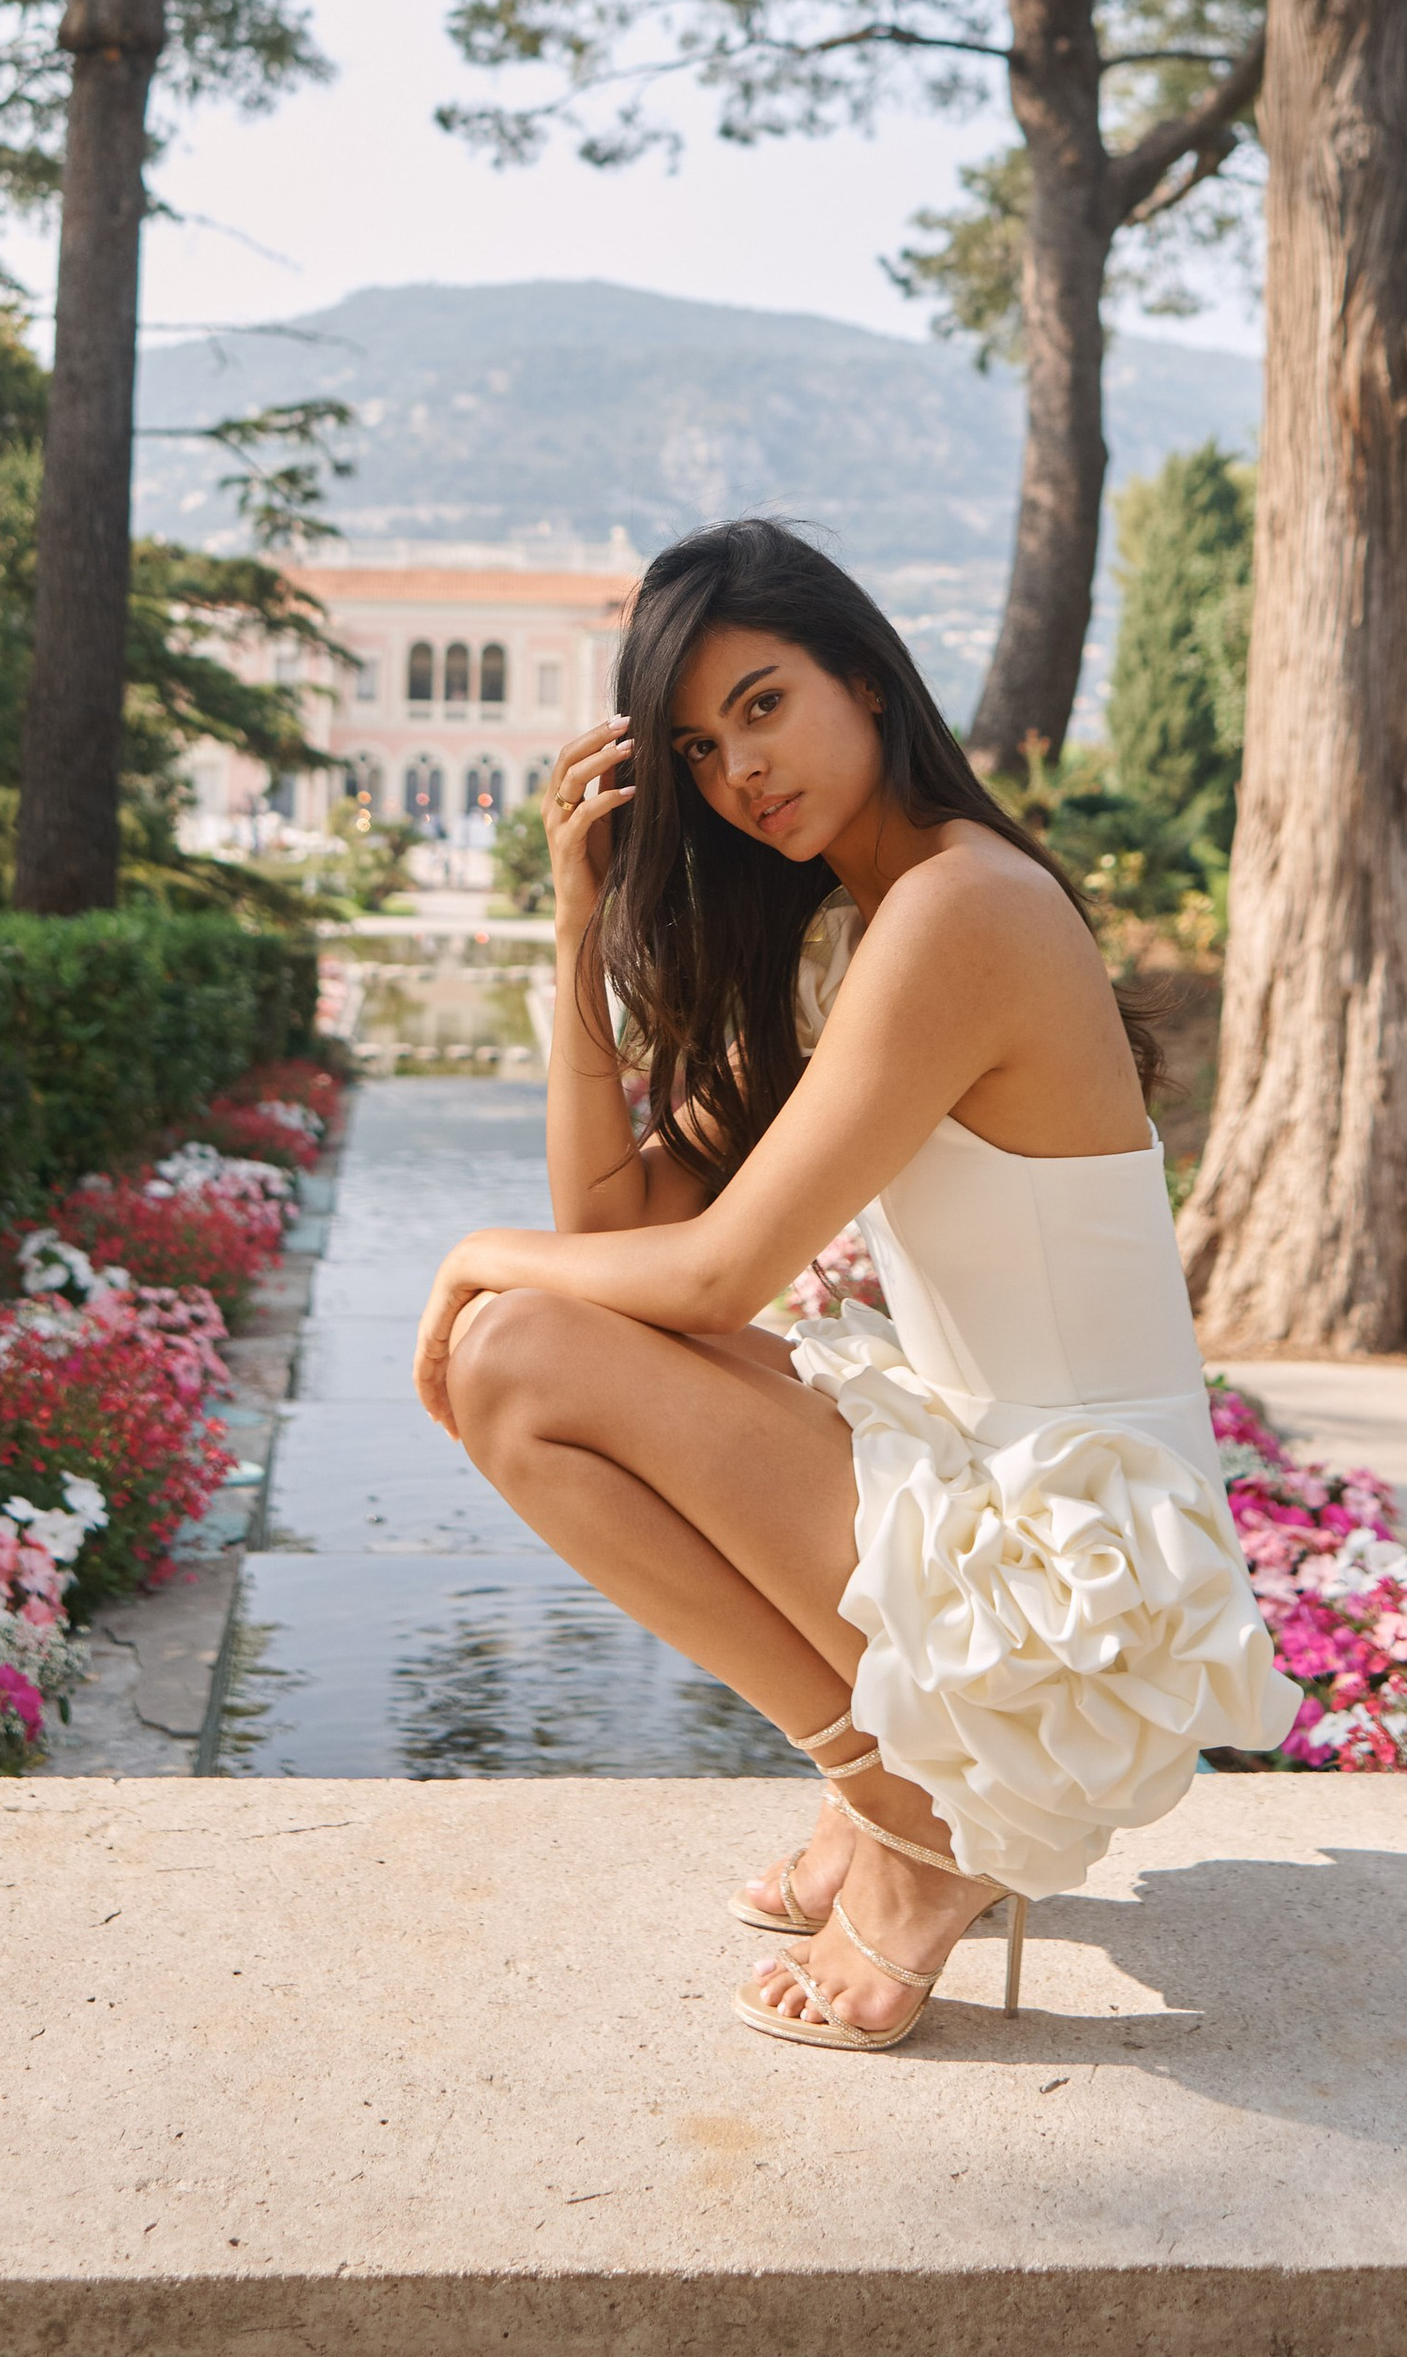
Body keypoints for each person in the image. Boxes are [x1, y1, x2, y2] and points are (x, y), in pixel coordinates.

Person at [412, 518, 1299, 2053]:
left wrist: (466, 1255)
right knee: (526, 1342)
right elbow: (612, 1222)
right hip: (998, 1490)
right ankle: (891, 1775)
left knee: (509, 1352)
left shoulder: (966, 908)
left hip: (1078, 1581)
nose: (741, 769)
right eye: (699, 747)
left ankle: (916, 1808)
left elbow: (716, 1274)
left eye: (764, 702)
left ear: (868, 680)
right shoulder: (857, 925)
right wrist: (576, 930)